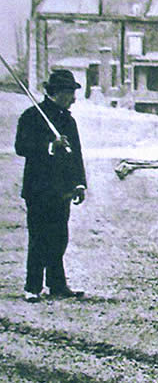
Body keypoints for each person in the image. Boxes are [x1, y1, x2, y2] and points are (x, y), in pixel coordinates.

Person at [15, 69, 87, 302]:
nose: (74, 98)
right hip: (39, 189)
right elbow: (21, 147)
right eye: (70, 93)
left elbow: (76, 155)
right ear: (56, 93)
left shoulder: (68, 120)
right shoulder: (31, 116)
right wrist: (49, 146)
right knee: (39, 236)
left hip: (63, 189)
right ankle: (32, 286)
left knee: (59, 237)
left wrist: (79, 184)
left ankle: (57, 284)